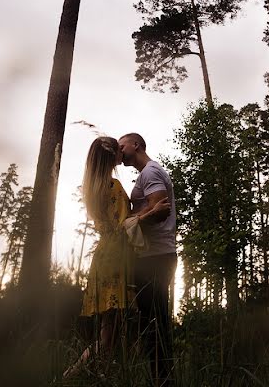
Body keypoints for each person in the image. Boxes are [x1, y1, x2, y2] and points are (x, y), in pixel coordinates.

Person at [64, 136, 169, 379]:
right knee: (109, 335)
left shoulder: (95, 188)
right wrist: (150, 213)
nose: (122, 152)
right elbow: (122, 227)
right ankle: (69, 377)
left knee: (110, 332)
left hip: (105, 258)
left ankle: (93, 376)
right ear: (113, 156)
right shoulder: (113, 187)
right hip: (115, 259)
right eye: (118, 148)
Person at [119, 132, 178, 387]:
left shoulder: (150, 172)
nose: (119, 151)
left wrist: (129, 221)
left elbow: (160, 211)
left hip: (155, 257)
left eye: (122, 146)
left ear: (136, 145)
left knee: (154, 325)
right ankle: (160, 379)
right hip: (154, 255)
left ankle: (161, 381)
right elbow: (153, 208)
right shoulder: (147, 173)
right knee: (152, 323)